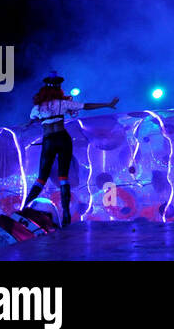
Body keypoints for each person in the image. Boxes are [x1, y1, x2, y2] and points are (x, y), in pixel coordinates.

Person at [22, 72, 119, 226]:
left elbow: (31, 121)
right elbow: (86, 106)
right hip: (62, 138)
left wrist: (26, 127)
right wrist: (107, 104)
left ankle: (23, 208)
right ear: (58, 87)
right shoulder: (63, 103)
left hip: (50, 140)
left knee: (42, 177)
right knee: (63, 177)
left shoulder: (38, 108)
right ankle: (65, 213)